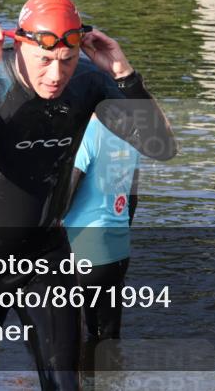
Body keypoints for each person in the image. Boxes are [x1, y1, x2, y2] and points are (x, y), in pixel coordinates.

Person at [0, 0, 176, 391]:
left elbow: (161, 146)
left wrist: (123, 72)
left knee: (65, 385)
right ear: (19, 44)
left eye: (67, 61)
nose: (55, 76)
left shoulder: (89, 83)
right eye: (44, 61)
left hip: (46, 258)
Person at [63, 115, 140, 341]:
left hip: (82, 251)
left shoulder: (87, 133)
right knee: (108, 337)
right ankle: (110, 375)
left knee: (67, 340)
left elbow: (67, 194)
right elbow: (132, 200)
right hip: (117, 253)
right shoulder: (130, 137)